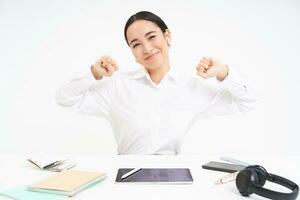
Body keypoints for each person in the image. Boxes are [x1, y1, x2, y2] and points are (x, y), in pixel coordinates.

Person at [56, 11, 255, 155]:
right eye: (136, 44)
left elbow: (247, 102)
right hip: (126, 176)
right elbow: (65, 99)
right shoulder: (117, 85)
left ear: (167, 36)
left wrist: (224, 72)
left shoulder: (191, 87)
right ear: (132, 53)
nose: (147, 48)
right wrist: (93, 73)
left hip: (174, 176)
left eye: (152, 37)